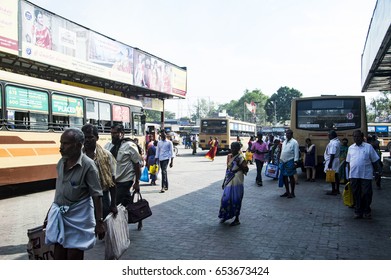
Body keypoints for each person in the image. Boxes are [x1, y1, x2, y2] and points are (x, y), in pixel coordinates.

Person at [45, 128, 105, 260]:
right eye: (61, 143)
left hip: (79, 220)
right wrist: (50, 213)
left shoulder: (88, 166)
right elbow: (59, 192)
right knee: (59, 254)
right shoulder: (61, 163)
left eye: (65, 144)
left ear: (78, 145)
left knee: (74, 256)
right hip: (61, 217)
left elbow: (97, 195)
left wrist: (99, 222)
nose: (61, 147)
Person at [104, 124, 143, 230]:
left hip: (125, 181)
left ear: (122, 133)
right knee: (126, 204)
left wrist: (137, 182)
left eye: (115, 133)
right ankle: (138, 216)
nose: (113, 135)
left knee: (115, 204)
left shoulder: (130, 146)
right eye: (112, 133)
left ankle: (117, 229)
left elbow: (137, 164)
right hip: (112, 182)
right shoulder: (108, 146)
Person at [81, 124, 117, 219]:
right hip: (84, 199)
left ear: (97, 138)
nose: (87, 140)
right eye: (85, 137)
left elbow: (112, 181)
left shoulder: (106, 155)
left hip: (102, 197)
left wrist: (113, 204)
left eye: (90, 137)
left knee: (102, 227)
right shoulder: (78, 157)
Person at [346, 130, 381, 219]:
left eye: (357, 136)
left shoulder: (368, 147)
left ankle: (367, 210)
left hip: (366, 175)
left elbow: (375, 160)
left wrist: (377, 172)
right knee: (356, 193)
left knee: (366, 193)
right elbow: (349, 162)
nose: (356, 138)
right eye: (354, 137)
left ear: (362, 137)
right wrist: (349, 176)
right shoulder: (351, 148)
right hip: (354, 175)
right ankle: (358, 211)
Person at [218, 142, 249, 226]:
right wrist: (224, 181)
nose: (232, 149)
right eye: (231, 148)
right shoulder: (230, 157)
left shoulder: (241, 158)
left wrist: (240, 166)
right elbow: (227, 170)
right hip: (229, 180)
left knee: (236, 199)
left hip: (237, 181)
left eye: (234, 148)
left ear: (238, 149)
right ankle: (225, 215)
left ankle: (237, 219)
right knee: (225, 198)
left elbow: (246, 169)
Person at [279, 129, 300, 198]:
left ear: (291, 134)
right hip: (283, 161)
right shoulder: (284, 142)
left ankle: (292, 193)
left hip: (290, 161)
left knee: (291, 176)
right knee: (284, 177)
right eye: (286, 134)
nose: (287, 135)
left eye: (289, 134)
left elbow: (296, 153)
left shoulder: (294, 142)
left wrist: (295, 162)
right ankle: (287, 191)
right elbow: (282, 151)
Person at [324, 130, 341, 195]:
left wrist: (330, 163)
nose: (328, 136)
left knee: (332, 175)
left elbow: (332, 154)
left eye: (329, 135)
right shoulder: (337, 141)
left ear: (332, 136)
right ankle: (337, 189)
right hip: (335, 160)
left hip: (333, 160)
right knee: (336, 175)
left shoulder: (333, 143)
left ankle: (334, 190)